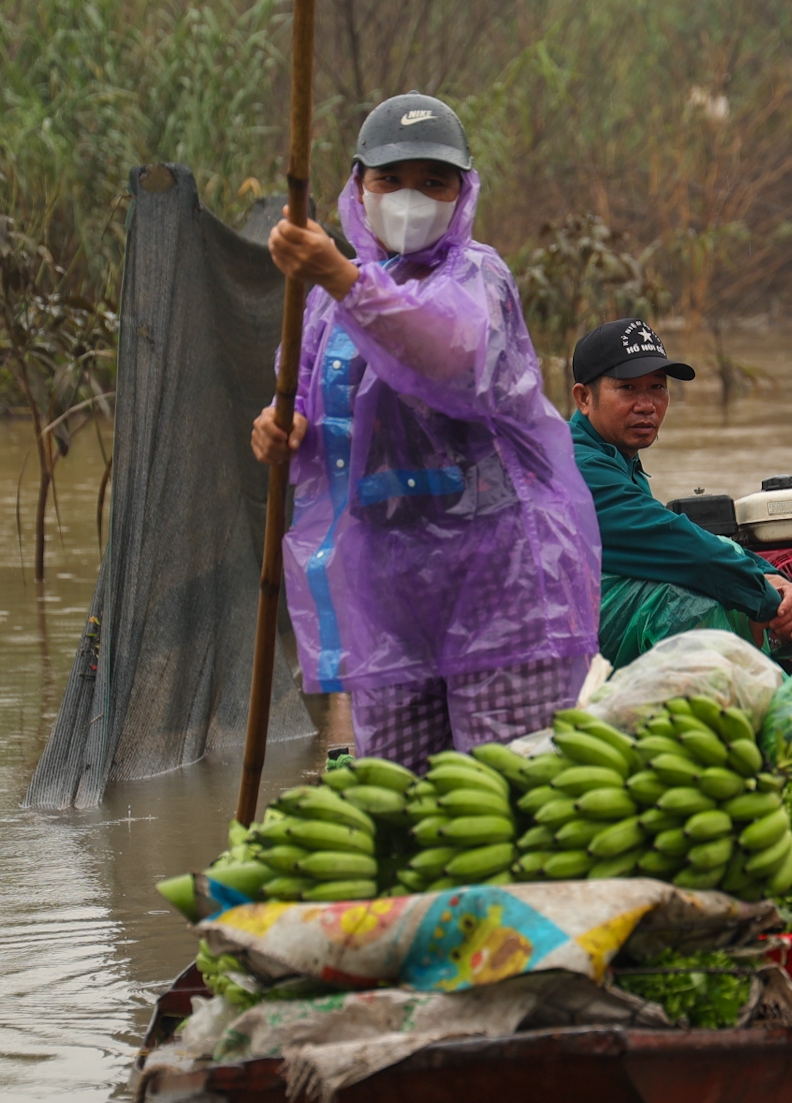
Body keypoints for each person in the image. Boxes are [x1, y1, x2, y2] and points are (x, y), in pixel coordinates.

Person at [251, 92, 599, 773]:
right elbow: (310, 423)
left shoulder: (478, 278)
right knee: (400, 794)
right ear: (359, 186)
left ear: (462, 191)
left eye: (433, 181)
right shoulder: (321, 305)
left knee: (502, 790)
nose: (411, 197)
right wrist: (279, 433)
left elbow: (449, 356)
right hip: (386, 590)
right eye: (392, 180)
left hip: (502, 583)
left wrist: (340, 275)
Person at [563, 317, 792, 667]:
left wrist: (772, 576)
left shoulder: (617, 459)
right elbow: (676, 545)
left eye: (657, 387)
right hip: (550, 632)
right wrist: (770, 598)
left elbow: (677, 539)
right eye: (628, 389)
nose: (646, 404)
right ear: (584, 398)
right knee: (680, 602)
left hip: (580, 618)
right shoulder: (576, 466)